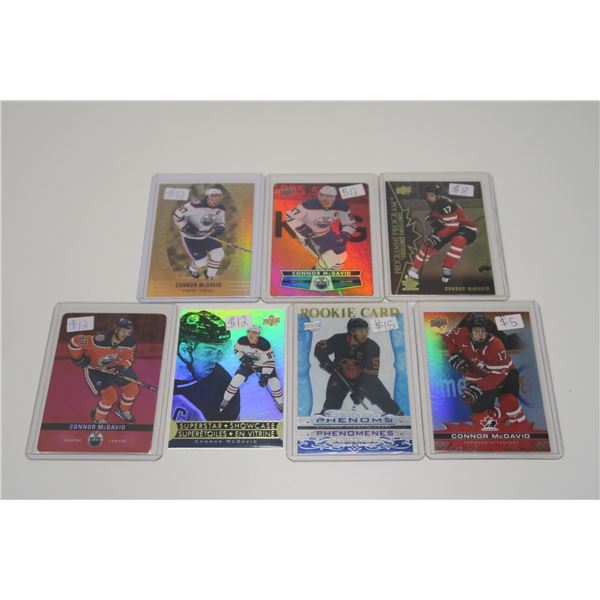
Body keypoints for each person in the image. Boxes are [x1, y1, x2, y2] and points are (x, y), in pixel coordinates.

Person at [443, 313, 527, 425]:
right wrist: (454, 354)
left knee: (508, 401)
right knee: (480, 412)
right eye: (477, 331)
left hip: (505, 374)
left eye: (483, 331)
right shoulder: (460, 333)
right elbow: (447, 336)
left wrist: (478, 387)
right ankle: (497, 416)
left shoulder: (495, 345)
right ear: (469, 331)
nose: (481, 335)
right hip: (480, 374)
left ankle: (520, 424)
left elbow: (497, 375)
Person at [313, 318, 402, 415]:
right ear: (352, 332)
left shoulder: (372, 347)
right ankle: (324, 416)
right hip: (340, 375)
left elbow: (371, 375)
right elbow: (319, 348)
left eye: (366, 331)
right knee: (333, 399)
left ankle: (398, 415)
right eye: (360, 331)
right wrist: (327, 364)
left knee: (383, 398)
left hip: (364, 378)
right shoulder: (338, 339)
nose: (364, 334)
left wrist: (360, 390)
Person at [68, 317, 139, 424]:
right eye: (123, 331)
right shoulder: (99, 340)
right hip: (95, 370)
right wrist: (78, 359)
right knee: (110, 396)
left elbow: (129, 358)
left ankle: (122, 410)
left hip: (114, 368)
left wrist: (122, 366)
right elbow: (75, 341)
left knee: (133, 389)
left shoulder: (130, 342)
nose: (125, 334)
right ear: (116, 329)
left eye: (128, 331)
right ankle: (98, 419)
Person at [172, 310, 240, 421]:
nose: (217, 359)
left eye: (220, 351)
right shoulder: (153, 373)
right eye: (209, 351)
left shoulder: (223, 385)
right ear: (185, 350)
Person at [407, 184, 478, 283]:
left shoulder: (446, 204)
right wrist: (432, 217)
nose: (429, 198)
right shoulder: (435, 202)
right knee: (429, 245)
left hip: (465, 228)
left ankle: (447, 268)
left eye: (431, 195)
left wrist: (438, 236)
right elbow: (442, 219)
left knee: (458, 241)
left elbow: (453, 227)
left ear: (438, 195)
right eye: (427, 195)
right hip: (448, 226)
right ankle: (414, 268)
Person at [285, 185, 358, 270]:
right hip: (309, 236)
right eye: (322, 195)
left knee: (342, 255)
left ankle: (334, 275)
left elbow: (350, 223)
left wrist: (344, 235)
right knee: (329, 257)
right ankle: (316, 274)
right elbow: (289, 216)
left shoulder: (342, 207)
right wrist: (302, 228)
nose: (324, 198)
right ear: (318, 195)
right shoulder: (308, 205)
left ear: (334, 197)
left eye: (328, 196)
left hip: (327, 233)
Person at [220, 324, 284, 413]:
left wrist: (265, 375)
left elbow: (269, 362)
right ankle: (225, 400)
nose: (250, 335)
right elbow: (236, 350)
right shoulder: (241, 340)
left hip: (264, 365)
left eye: (254, 333)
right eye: (249, 332)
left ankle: (280, 403)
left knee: (275, 383)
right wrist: (243, 358)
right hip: (248, 365)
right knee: (236, 380)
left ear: (258, 334)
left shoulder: (265, 345)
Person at [172, 187, 226, 279]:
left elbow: (220, 223)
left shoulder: (221, 209)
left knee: (219, 253)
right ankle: (190, 268)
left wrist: (218, 229)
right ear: (208, 196)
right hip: (190, 238)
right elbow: (176, 216)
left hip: (207, 236)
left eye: (219, 196)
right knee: (202, 262)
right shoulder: (195, 205)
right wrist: (186, 226)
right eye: (214, 196)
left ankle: (210, 276)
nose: (217, 199)